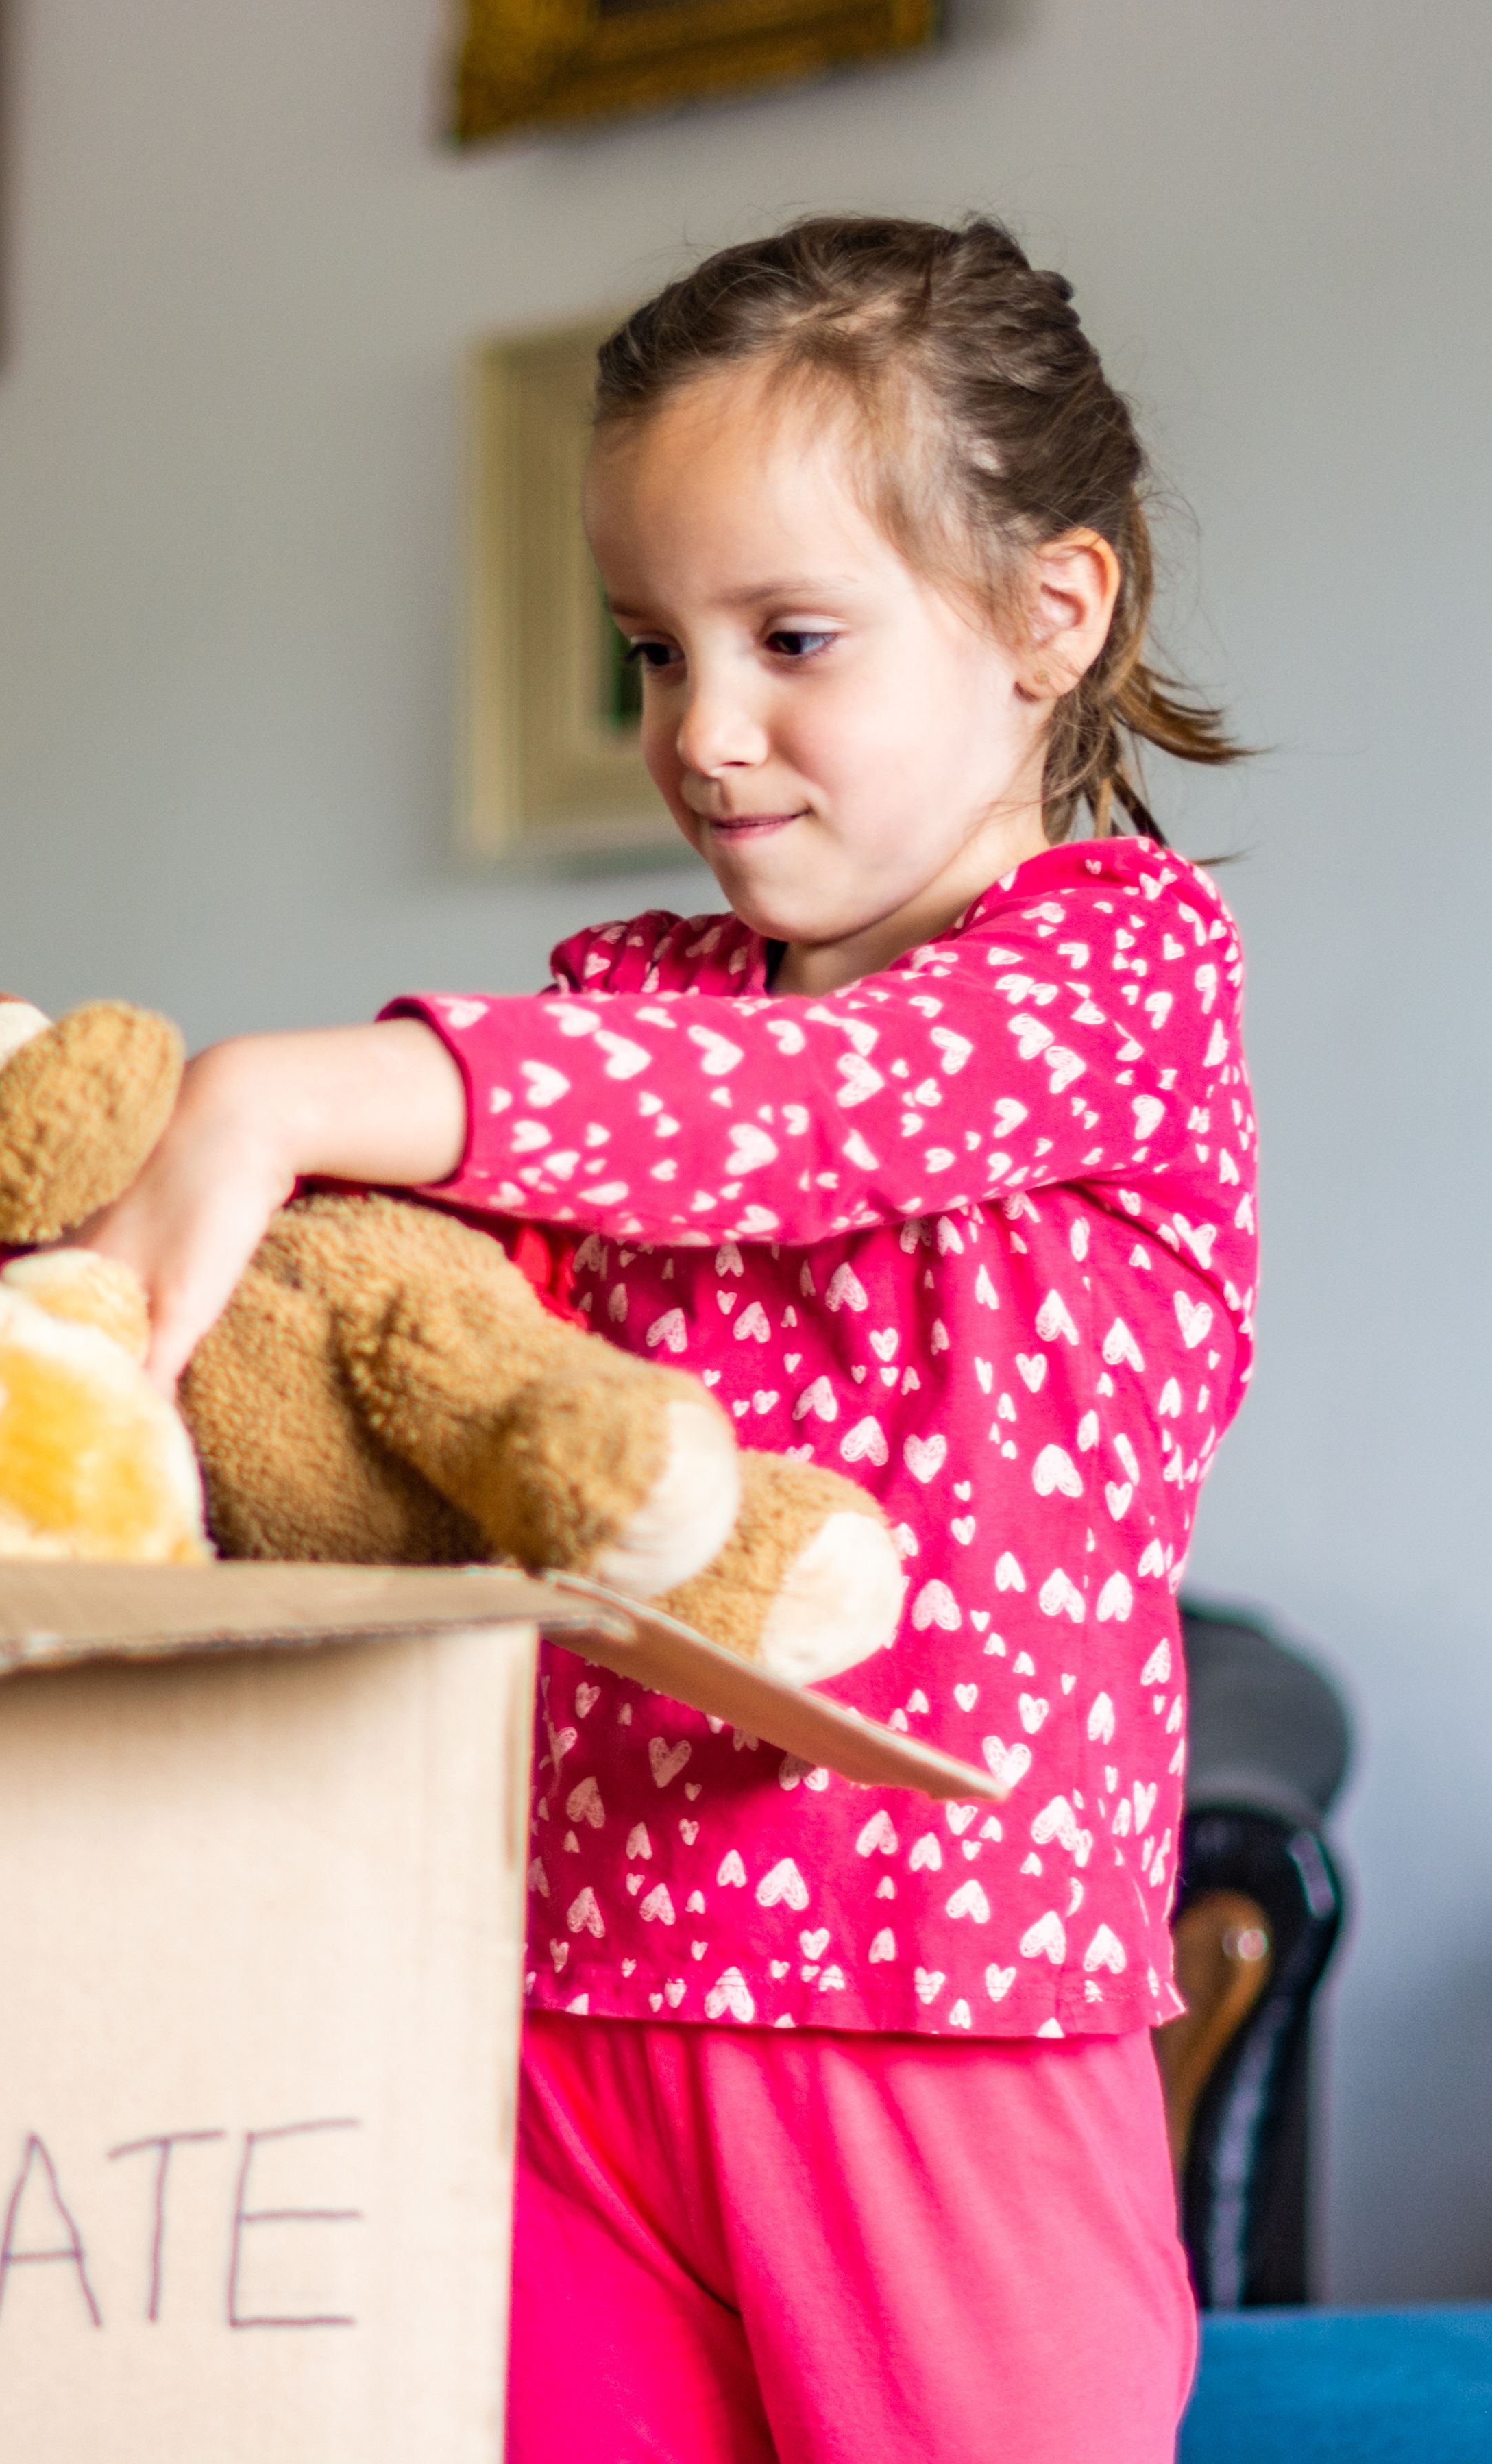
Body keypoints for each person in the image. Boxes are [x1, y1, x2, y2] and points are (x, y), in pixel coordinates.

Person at [78, 214, 1253, 2462]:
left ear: (1048, 615)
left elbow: (781, 1125)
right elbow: (415, 1353)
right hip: (563, 2005)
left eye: (791, 639)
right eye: (648, 650)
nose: (701, 734)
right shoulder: (637, 998)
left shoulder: (1118, 972)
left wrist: (284, 1087)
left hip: (938, 2022)